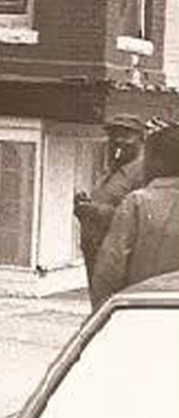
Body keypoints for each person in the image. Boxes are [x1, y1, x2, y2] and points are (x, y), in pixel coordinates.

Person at [90, 125, 178, 307]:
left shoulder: (138, 203)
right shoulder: (114, 175)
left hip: (144, 311)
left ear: (157, 161)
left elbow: (109, 271)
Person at [75, 114, 150, 306]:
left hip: (117, 258)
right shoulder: (114, 168)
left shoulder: (143, 171)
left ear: (141, 137)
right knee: (99, 307)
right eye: (114, 135)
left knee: (113, 309)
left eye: (126, 135)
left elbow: (139, 217)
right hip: (96, 251)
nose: (118, 140)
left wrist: (95, 211)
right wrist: (84, 207)